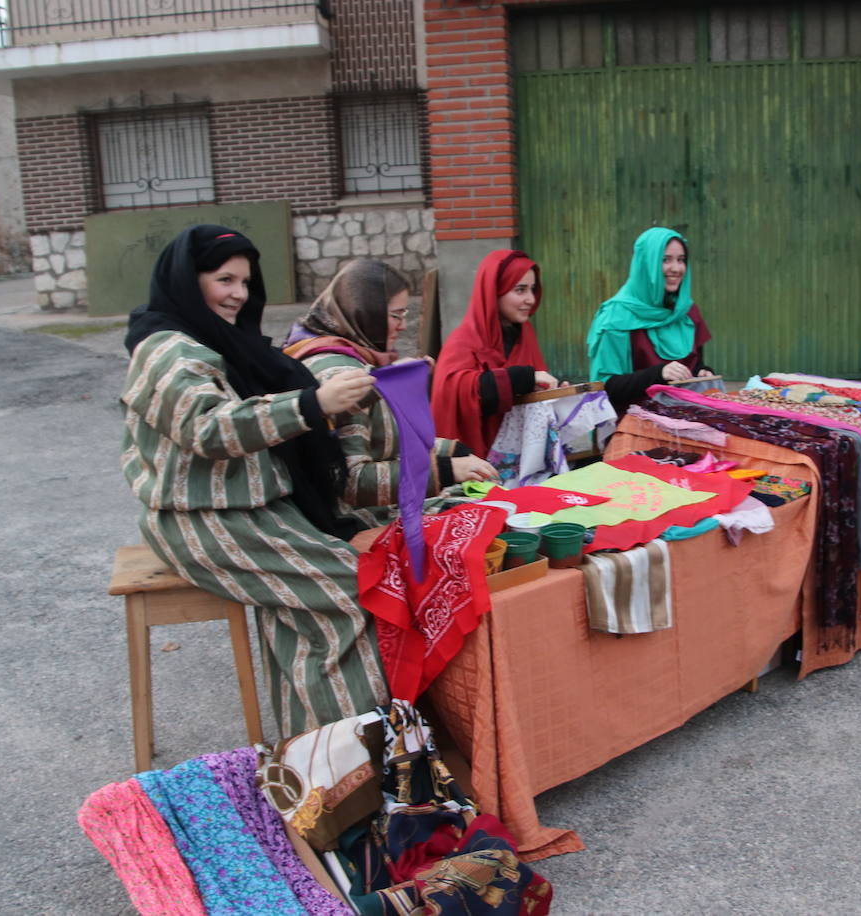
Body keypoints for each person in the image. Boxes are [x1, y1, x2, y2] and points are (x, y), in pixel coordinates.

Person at [120, 224, 388, 737]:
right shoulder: (166, 351)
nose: (239, 294)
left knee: (341, 583)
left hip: (257, 506)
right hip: (199, 517)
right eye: (224, 279)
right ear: (185, 279)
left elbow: (277, 400)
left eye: (245, 281)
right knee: (349, 589)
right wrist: (313, 404)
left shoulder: (222, 342)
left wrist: (358, 391)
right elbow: (209, 427)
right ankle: (344, 756)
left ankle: (316, 745)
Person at [284, 259, 498, 528]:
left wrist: (451, 449)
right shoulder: (341, 374)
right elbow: (351, 480)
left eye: (404, 314)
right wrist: (446, 470)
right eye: (395, 315)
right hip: (359, 523)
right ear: (366, 312)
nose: (402, 326)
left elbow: (380, 441)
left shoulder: (356, 358)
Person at [430, 249, 558, 457]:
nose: (531, 299)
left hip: (523, 460)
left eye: (533, 289)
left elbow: (534, 389)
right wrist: (523, 378)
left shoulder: (525, 334)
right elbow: (453, 393)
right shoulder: (463, 341)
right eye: (520, 290)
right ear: (493, 291)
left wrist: (554, 392)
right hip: (476, 463)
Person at [586, 227, 716, 412]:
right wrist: (659, 374)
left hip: (684, 414)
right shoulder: (615, 317)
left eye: (681, 260)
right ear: (646, 264)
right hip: (632, 422)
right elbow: (606, 387)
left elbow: (694, 364)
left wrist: (701, 372)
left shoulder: (686, 311)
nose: (676, 268)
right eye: (665, 260)